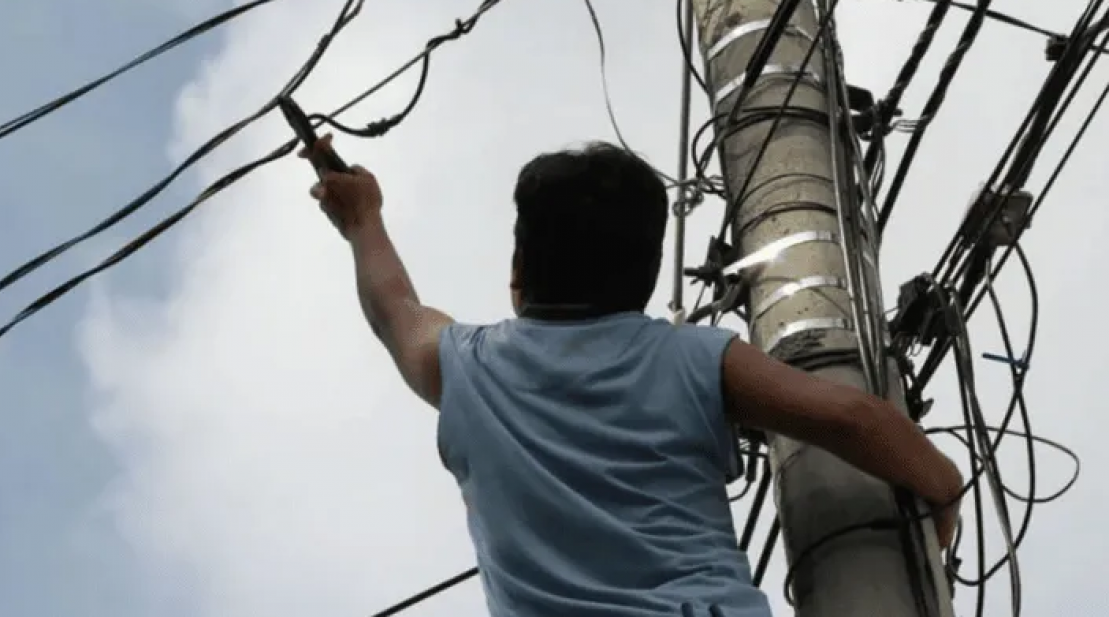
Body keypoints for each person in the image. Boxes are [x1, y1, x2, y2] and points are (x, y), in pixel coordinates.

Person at [300, 136, 963, 617]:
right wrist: (941, 490)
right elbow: (854, 418)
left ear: (518, 270)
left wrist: (362, 218)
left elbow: (396, 311)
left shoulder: (466, 368)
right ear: (647, 278)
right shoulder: (697, 358)